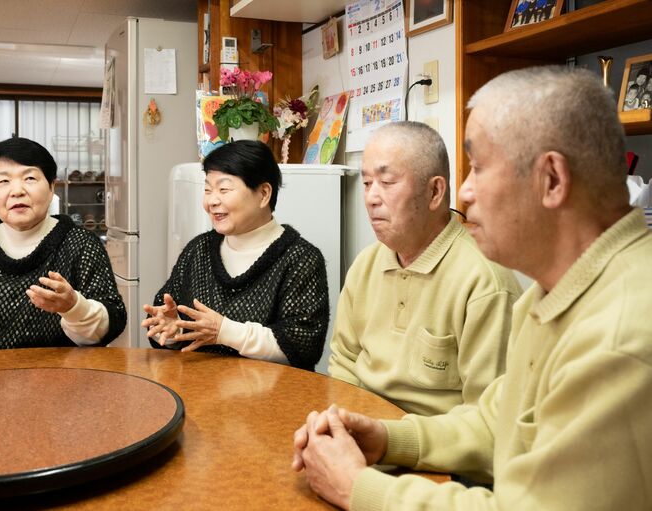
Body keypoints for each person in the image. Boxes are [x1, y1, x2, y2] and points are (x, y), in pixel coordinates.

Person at [293, 65, 652, 510]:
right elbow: (493, 422)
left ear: (552, 180)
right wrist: (386, 438)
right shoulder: (553, 292)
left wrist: (358, 488)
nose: (463, 194)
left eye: (478, 168)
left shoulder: (619, 337)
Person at [328, 121, 521, 417]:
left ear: (434, 192)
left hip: (434, 443)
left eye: (387, 182)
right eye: (367, 183)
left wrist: (388, 437)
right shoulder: (365, 265)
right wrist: (345, 422)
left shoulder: (485, 282)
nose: (371, 198)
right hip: (360, 426)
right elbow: (344, 361)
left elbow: (487, 416)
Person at [0, 137, 127, 353]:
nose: (17, 191)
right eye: (3, 181)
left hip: (64, 373)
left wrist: (74, 307)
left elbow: (110, 321)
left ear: (51, 186)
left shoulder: (82, 245)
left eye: (30, 178)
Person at [142, 140, 329, 370]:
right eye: (207, 190)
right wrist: (173, 330)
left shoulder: (300, 259)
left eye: (224, 189)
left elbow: (303, 348)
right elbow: (165, 323)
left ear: (263, 194)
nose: (211, 201)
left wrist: (225, 331)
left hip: (272, 391)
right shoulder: (199, 249)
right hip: (199, 386)